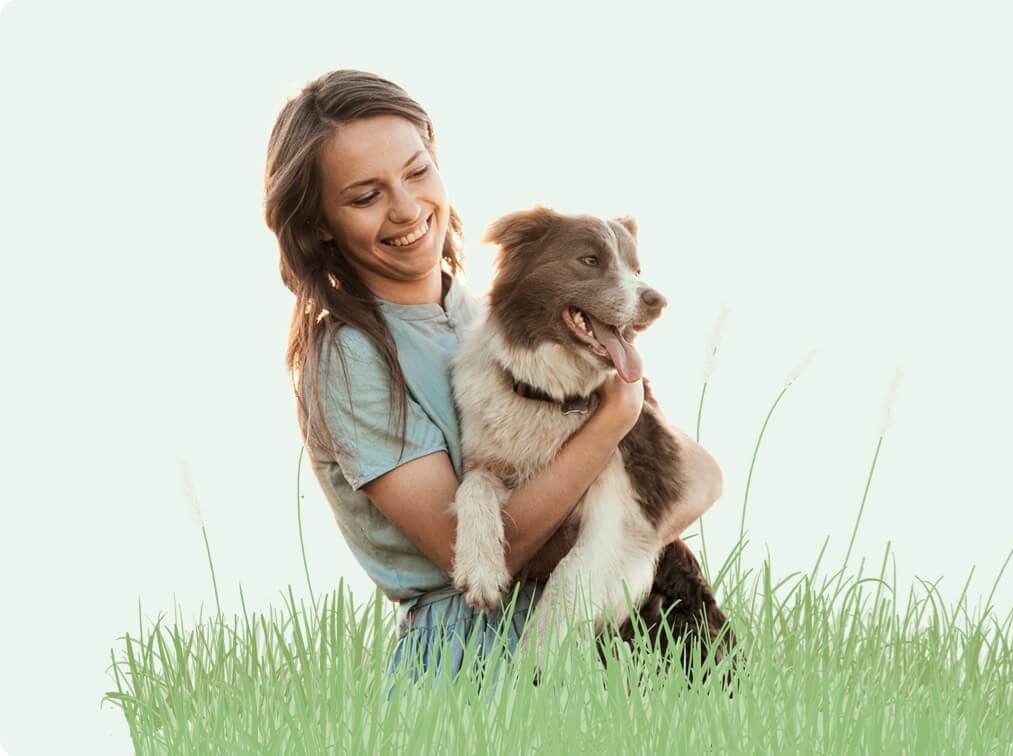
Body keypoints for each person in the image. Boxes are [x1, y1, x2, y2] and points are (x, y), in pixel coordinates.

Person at [262, 69, 722, 691]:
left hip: (597, 633)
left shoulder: (480, 316)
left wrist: (616, 543)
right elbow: (479, 557)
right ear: (319, 223)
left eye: (417, 171)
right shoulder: (351, 358)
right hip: (477, 660)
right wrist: (612, 424)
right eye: (366, 196)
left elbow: (699, 477)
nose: (405, 207)